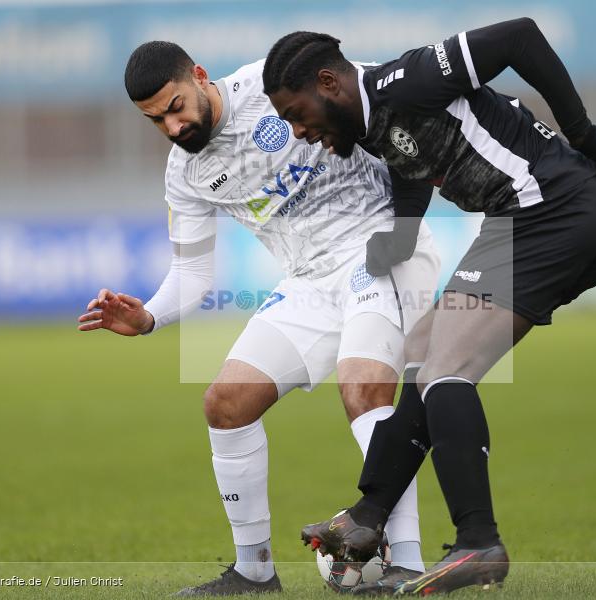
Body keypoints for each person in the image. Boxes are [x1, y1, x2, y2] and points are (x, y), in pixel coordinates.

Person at [263, 17, 596, 594]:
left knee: (445, 369)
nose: (298, 131)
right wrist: (402, 235)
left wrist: (583, 132)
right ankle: (367, 518)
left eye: (296, 114)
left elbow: (519, 37)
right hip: (536, 220)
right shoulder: (369, 124)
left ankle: (478, 541)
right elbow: (411, 164)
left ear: (328, 83)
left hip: (553, 210)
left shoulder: (405, 81)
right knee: (420, 350)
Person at [77, 41, 441, 596]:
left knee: (364, 386)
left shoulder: (274, 88)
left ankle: (408, 565)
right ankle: (253, 571)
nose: (173, 128)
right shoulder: (185, 174)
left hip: (382, 251)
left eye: (176, 107)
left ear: (200, 77)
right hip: (309, 280)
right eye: (156, 121)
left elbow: (380, 94)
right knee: (225, 404)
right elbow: (194, 275)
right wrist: (148, 316)